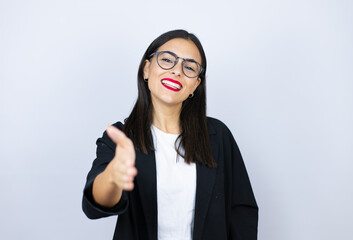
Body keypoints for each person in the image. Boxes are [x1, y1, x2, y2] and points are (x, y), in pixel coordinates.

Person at [82, 29, 258, 240]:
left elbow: (242, 212)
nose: (177, 71)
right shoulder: (121, 138)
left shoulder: (218, 136)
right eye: (167, 60)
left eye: (189, 67)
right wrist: (113, 176)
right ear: (146, 69)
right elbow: (94, 206)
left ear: (196, 85)